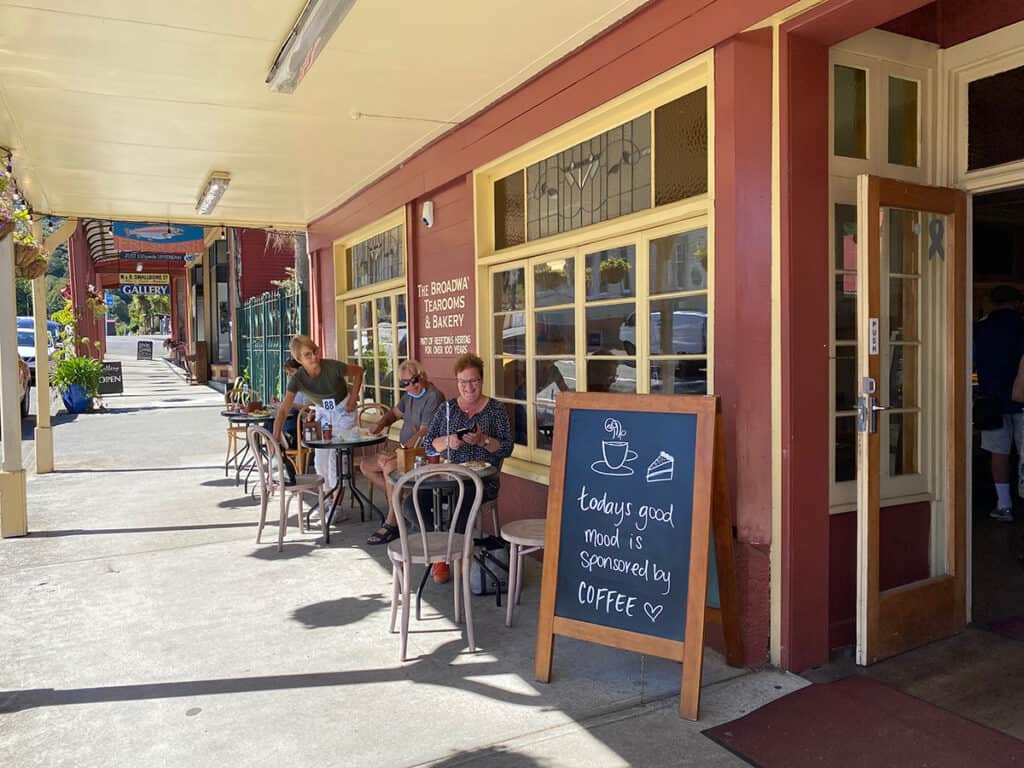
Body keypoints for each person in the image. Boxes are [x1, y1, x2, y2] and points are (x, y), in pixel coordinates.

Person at [408, 353, 513, 582]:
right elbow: (429, 445)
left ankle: (455, 557)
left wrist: (483, 440)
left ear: (482, 380)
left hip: (483, 481)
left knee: (461, 503)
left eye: (473, 380)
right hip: (449, 477)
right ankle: (442, 551)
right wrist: (448, 441)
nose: (468, 387)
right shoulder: (447, 409)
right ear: (457, 382)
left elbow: (507, 447)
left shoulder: (496, 409)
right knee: (412, 502)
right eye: (463, 382)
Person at [272, 335, 363, 505]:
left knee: (335, 462)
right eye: (307, 355)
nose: (314, 357)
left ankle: (337, 507)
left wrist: (353, 399)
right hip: (324, 413)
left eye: (315, 351)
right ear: (299, 359)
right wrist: (275, 436)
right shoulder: (298, 379)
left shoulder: (332, 366)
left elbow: (358, 371)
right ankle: (329, 502)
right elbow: (284, 409)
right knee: (320, 462)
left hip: (343, 410)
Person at [362, 360, 445, 545]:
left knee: (389, 466)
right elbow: (394, 413)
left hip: (422, 453)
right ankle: (401, 504)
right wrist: (380, 423)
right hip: (405, 450)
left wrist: (401, 452)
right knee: (366, 466)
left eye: (413, 381)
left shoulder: (433, 397)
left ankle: (393, 523)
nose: (410, 386)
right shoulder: (409, 396)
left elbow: (424, 432)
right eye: (404, 383)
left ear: (422, 376)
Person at [975, 285, 1024, 523]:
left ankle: (1004, 505)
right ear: (1017, 303)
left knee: (999, 452)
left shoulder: (980, 328)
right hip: (1021, 398)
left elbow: (970, 364)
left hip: (991, 400)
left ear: (992, 303)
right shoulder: (1022, 325)